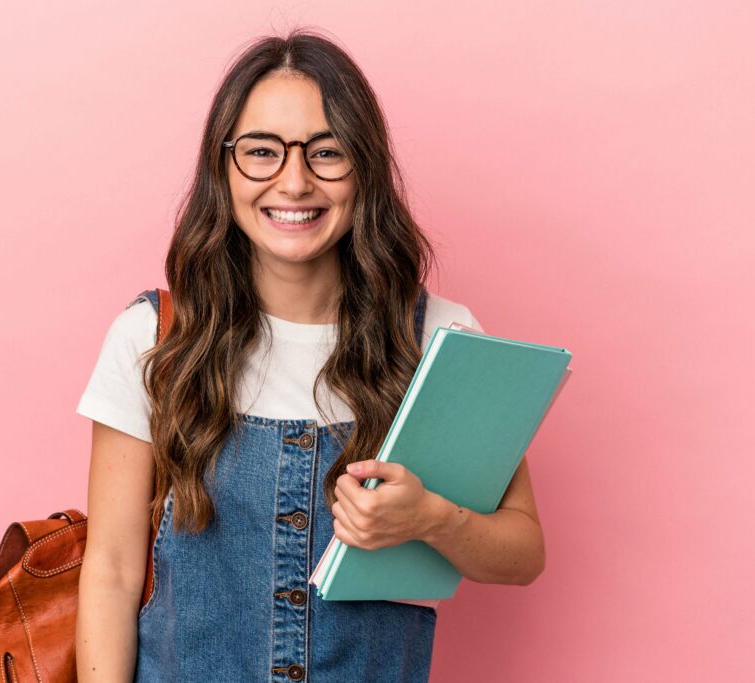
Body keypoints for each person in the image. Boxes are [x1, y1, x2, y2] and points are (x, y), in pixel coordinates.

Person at [74, 29, 546, 682]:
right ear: (223, 165)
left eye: (327, 153)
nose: (293, 182)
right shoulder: (155, 338)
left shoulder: (440, 341)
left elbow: (522, 552)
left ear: (365, 168)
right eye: (262, 152)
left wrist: (431, 518)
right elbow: (113, 571)